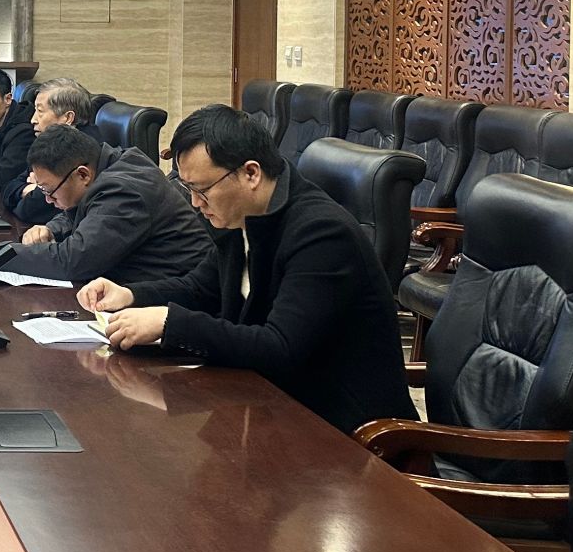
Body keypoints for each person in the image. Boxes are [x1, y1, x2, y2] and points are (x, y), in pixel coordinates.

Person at [75, 104, 414, 435]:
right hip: (269, 406)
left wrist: (169, 322)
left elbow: (279, 348)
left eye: (202, 190)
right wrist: (130, 294)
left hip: (344, 433)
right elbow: (201, 289)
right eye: (189, 189)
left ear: (251, 173)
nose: (195, 203)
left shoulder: (322, 234)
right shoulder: (243, 216)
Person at [0, 124, 208, 288]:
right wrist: (51, 229)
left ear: (82, 174)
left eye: (49, 190)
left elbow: (74, 261)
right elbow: (84, 212)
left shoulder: (124, 190)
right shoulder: (108, 164)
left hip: (174, 299)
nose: (48, 200)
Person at [5, 78, 102, 225]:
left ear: (67, 118)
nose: (33, 120)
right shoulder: (51, 144)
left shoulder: (77, 151)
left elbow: (27, 210)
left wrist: (33, 190)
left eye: (40, 111)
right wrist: (28, 190)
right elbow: (8, 188)